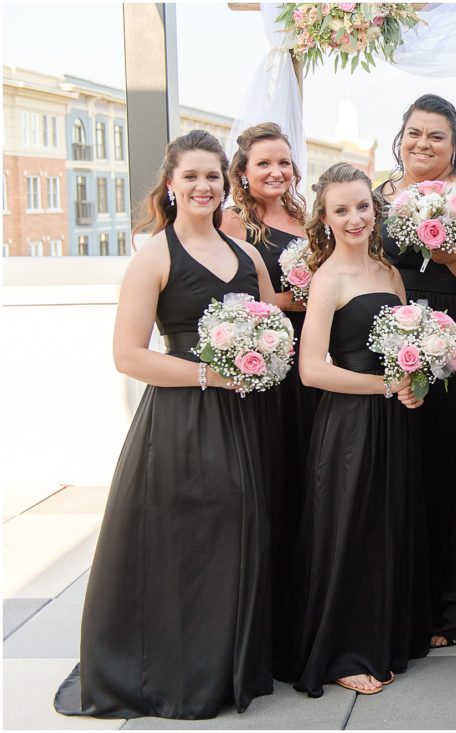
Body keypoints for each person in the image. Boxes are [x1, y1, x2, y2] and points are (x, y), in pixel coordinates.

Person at [54, 130, 278, 719]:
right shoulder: (155, 255)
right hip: (181, 418)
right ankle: (179, 670)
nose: (204, 187)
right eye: (192, 177)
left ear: (226, 185)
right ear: (171, 185)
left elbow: (272, 326)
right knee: (185, 538)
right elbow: (128, 355)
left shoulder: (247, 255)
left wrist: (259, 361)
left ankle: (226, 661)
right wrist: (209, 375)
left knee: (236, 530)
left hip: (241, 415)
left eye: (213, 177)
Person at [281, 162, 431, 698]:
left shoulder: (390, 273)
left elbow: (405, 353)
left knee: (388, 523)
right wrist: (384, 389)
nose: (355, 218)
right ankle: (344, 650)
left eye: (362, 206)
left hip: (395, 420)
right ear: (323, 217)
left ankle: (385, 635)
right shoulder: (328, 279)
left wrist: (413, 384)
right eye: (341, 210)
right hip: (349, 421)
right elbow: (311, 369)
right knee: (350, 527)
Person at [378, 94, 456, 650]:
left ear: (454, 144)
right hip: (391, 341)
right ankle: (406, 601)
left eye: (435, 136)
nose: (422, 144)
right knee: (401, 472)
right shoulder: (381, 197)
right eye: (414, 133)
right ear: (399, 137)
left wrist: (450, 249)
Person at [221, 122, 321, 675]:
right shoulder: (237, 223)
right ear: (243, 172)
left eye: (283, 162)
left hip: (315, 358)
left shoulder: (305, 218)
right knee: (274, 480)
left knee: (309, 477)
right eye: (264, 164)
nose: (276, 172)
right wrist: (301, 296)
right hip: (271, 362)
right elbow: (245, 298)